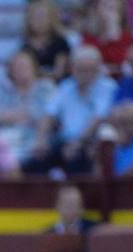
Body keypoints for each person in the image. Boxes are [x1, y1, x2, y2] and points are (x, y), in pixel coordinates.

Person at [25, 45, 116, 175]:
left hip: (91, 144)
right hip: (64, 141)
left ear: (97, 69)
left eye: (89, 70)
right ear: (73, 69)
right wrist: (41, 140)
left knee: (77, 162)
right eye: (80, 69)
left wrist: (77, 143)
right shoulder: (66, 86)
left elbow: (98, 119)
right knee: (33, 165)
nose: (84, 74)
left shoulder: (107, 87)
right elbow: (49, 114)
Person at [0, 49, 55, 163]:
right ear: (10, 71)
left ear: (34, 68)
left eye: (24, 66)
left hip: (36, 137)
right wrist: (27, 115)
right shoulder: (4, 88)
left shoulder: (45, 88)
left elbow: (47, 116)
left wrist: (13, 115)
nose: (20, 70)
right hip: (8, 136)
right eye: (16, 67)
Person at [21, 0, 71, 80]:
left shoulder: (60, 43)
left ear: (52, 19)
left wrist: (38, 73)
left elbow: (59, 73)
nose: (39, 21)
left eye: (42, 17)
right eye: (34, 17)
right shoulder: (25, 46)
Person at [81, 0, 133, 69]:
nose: (110, 13)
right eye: (106, 6)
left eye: (113, 8)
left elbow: (121, 61)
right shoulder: (89, 36)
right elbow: (89, 62)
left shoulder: (128, 37)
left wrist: (114, 34)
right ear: (97, 9)